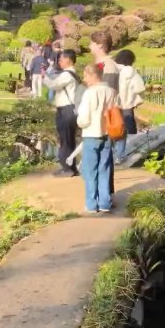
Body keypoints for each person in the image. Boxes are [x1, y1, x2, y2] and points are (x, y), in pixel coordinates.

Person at [76, 63, 117, 214]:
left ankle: (92, 204)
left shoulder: (89, 93)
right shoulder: (111, 91)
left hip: (91, 134)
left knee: (90, 170)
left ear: (93, 75)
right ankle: (105, 202)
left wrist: (80, 123)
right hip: (107, 134)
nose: (85, 80)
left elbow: (84, 118)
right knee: (104, 168)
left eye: (86, 76)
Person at [46, 49, 82, 176]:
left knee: (65, 139)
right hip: (71, 109)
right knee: (69, 139)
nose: (59, 61)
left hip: (66, 110)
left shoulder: (67, 75)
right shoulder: (73, 74)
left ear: (68, 60)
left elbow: (53, 85)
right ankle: (71, 167)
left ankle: (67, 168)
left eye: (61, 59)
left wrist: (44, 75)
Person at [114, 49, 145, 164]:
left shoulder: (115, 71)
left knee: (115, 130)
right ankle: (124, 154)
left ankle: (116, 154)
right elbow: (140, 88)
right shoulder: (133, 73)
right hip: (128, 105)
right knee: (129, 130)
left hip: (115, 106)